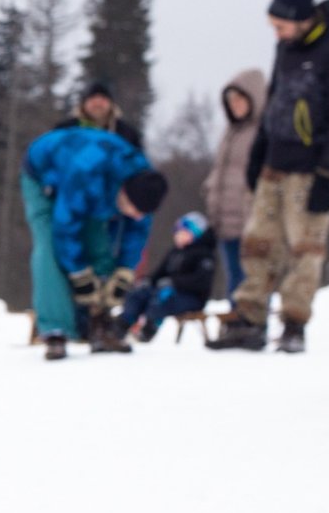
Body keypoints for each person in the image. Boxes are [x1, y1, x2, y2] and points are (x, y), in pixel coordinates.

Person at [211, 0, 329, 353]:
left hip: (310, 169)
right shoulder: (285, 48)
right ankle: (250, 316)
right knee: (257, 242)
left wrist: (327, 175)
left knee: (304, 248)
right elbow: (275, 99)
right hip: (275, 161)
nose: (277, 34)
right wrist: (260, 150)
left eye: (280, 26)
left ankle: (293, 323)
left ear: (303, 20)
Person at [21, 124, 169, 358]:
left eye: (140, 213)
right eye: (131, 210)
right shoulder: (87, 171)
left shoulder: (145, 184)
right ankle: (55, 330)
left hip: (92, 184)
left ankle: (99, 320)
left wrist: (124, 271)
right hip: (43, 173)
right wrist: (79, 274)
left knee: (100, 245)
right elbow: (65, 226)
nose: (135, 217)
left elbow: (137, 231)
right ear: (123, 193)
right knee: (49, 249)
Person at [202, 70, 267, 300]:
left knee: (250, 278)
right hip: (224, 221)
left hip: (248, 218)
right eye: (231, 101)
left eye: (240, 100)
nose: (235, 106)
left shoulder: (262, 132)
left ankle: (249, 325)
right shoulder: (230, 132)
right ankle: (234, 323)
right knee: (233, 277)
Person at [119, 213, 216, 342]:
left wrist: (174, 283)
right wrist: (147, 281)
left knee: (162, 298)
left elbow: (201, 281)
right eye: (177, 233)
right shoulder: (175, 252)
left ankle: (148, 330)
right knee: (140, 293)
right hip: (168, 290)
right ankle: (122, 325)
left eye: (183, 232)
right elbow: (159, 273)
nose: (178, 236)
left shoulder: (204, 254)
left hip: (192, 298)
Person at [54, 80, 144, 147]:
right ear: (83, 104)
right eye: (93, 99)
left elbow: (138, 164)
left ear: (111, 104)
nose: (98, 103)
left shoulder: (127, 133)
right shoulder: (65, 129)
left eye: (102, 99)